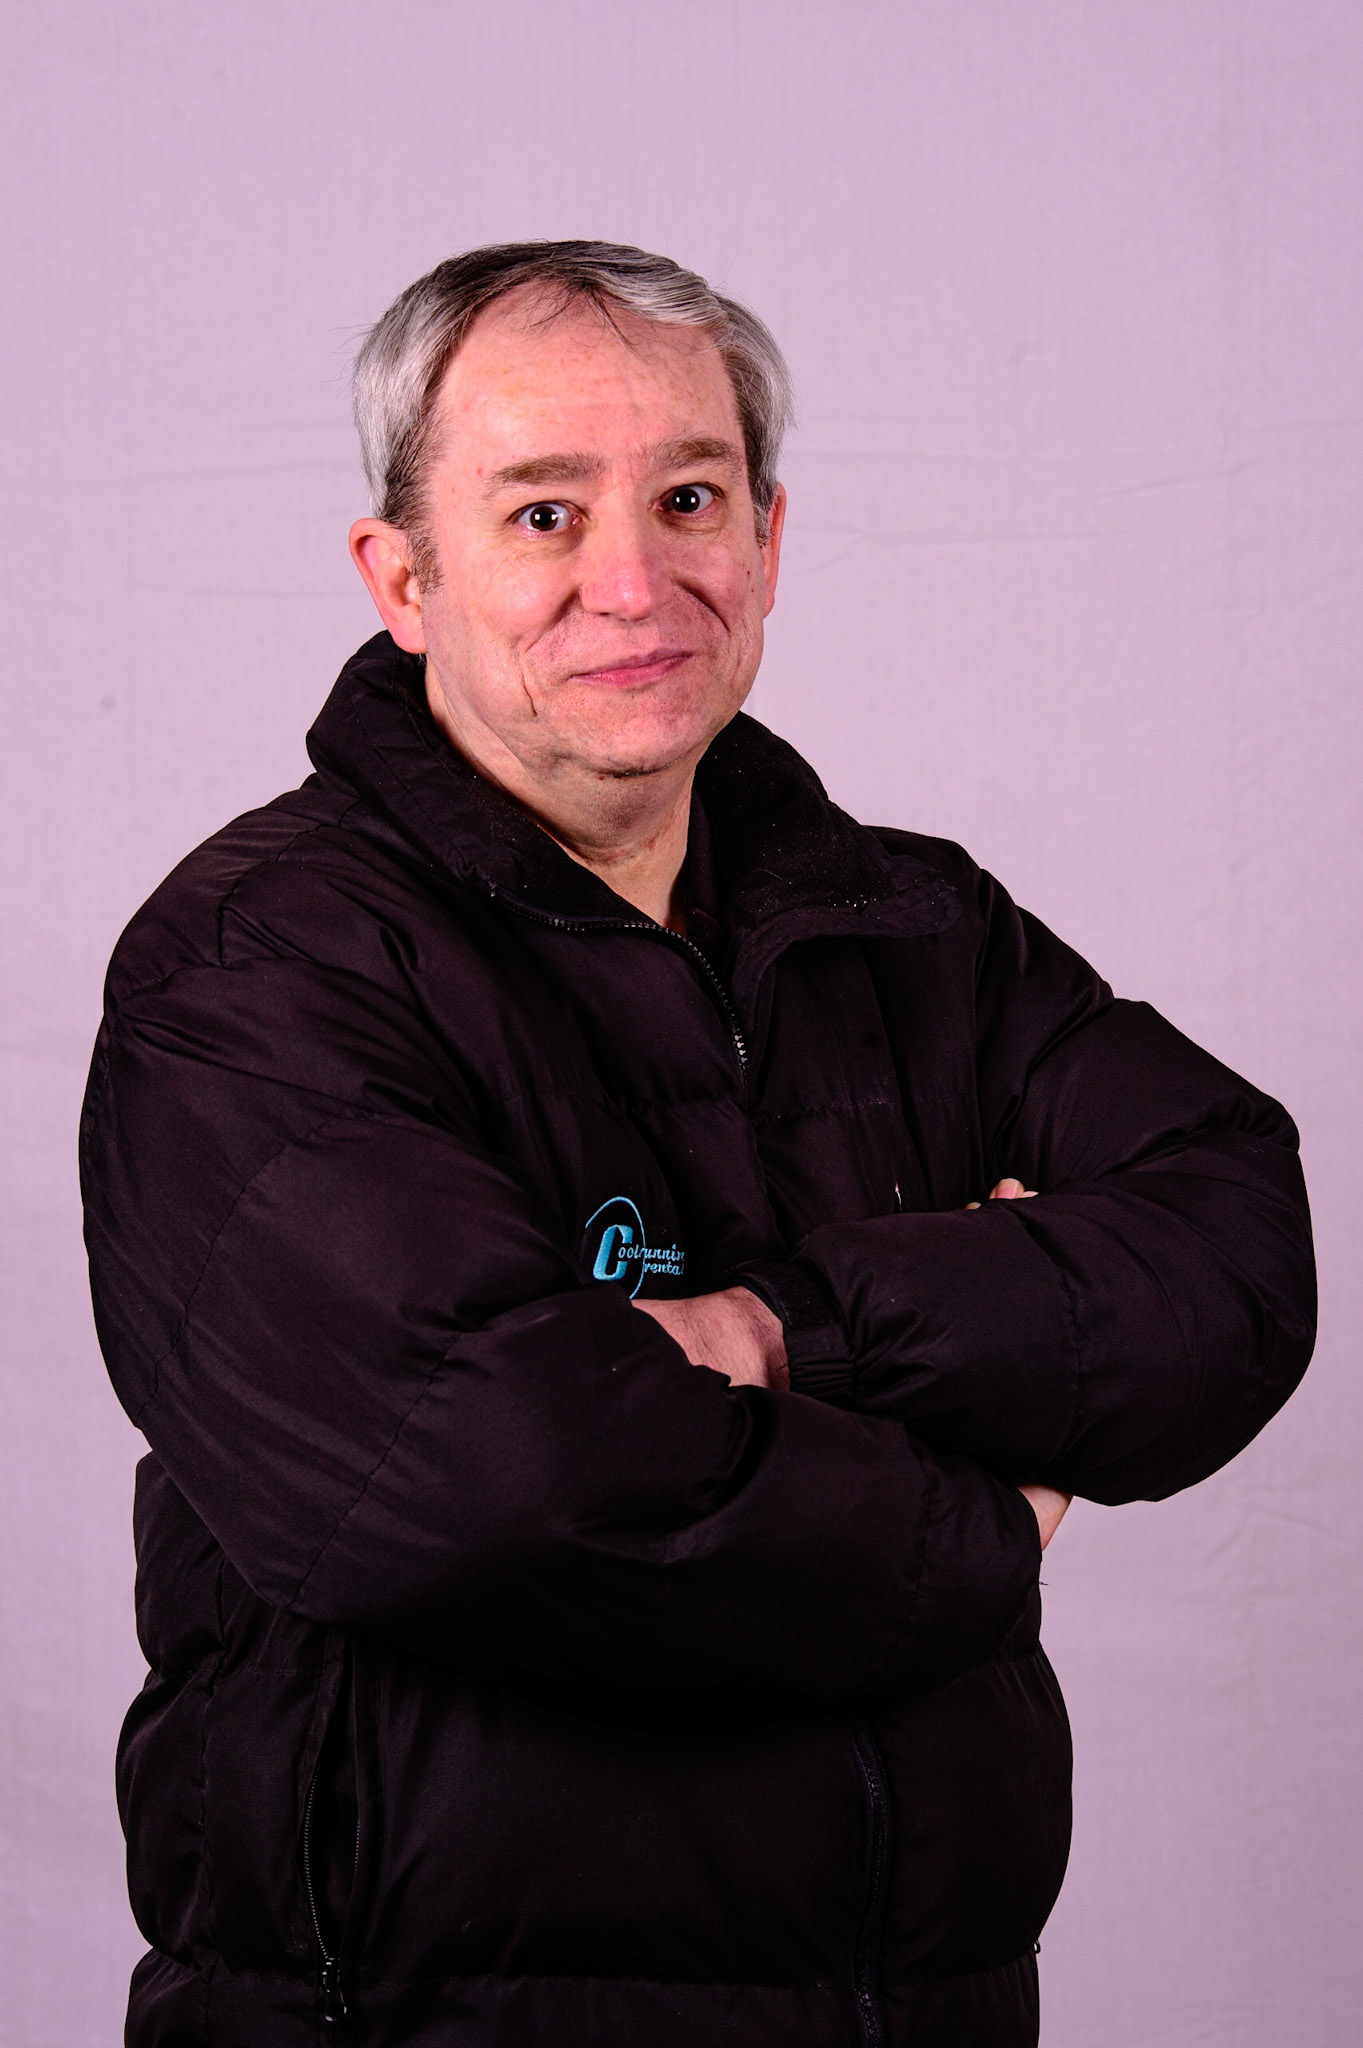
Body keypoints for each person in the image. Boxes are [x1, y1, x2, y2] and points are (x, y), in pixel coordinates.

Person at [80, 241, 1316, 2048]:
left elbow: (1234, 1258)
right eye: (540, 516)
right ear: (401, 577)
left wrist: (778, 1338)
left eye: (686, 497)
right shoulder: (258, 966)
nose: (633, 580)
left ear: (770, 535)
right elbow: (503, 1484)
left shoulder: (919, 928)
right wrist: (985, 1518)